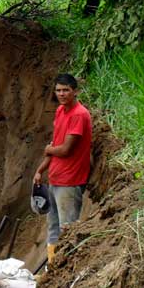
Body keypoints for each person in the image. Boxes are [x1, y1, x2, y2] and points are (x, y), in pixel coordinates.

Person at [32, 73, 92, 267]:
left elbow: (65, 150)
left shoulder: (79, 115)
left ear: (75, 91)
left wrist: (49, 149)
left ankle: (69, 270)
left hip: (70, 181)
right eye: (58, 90)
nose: (62, 94)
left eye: (66, 90)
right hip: (55, 178)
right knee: (53, 228)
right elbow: (55, 144)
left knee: (68, 230)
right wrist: (40, 170)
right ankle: (53, 269)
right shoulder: (60, 111)